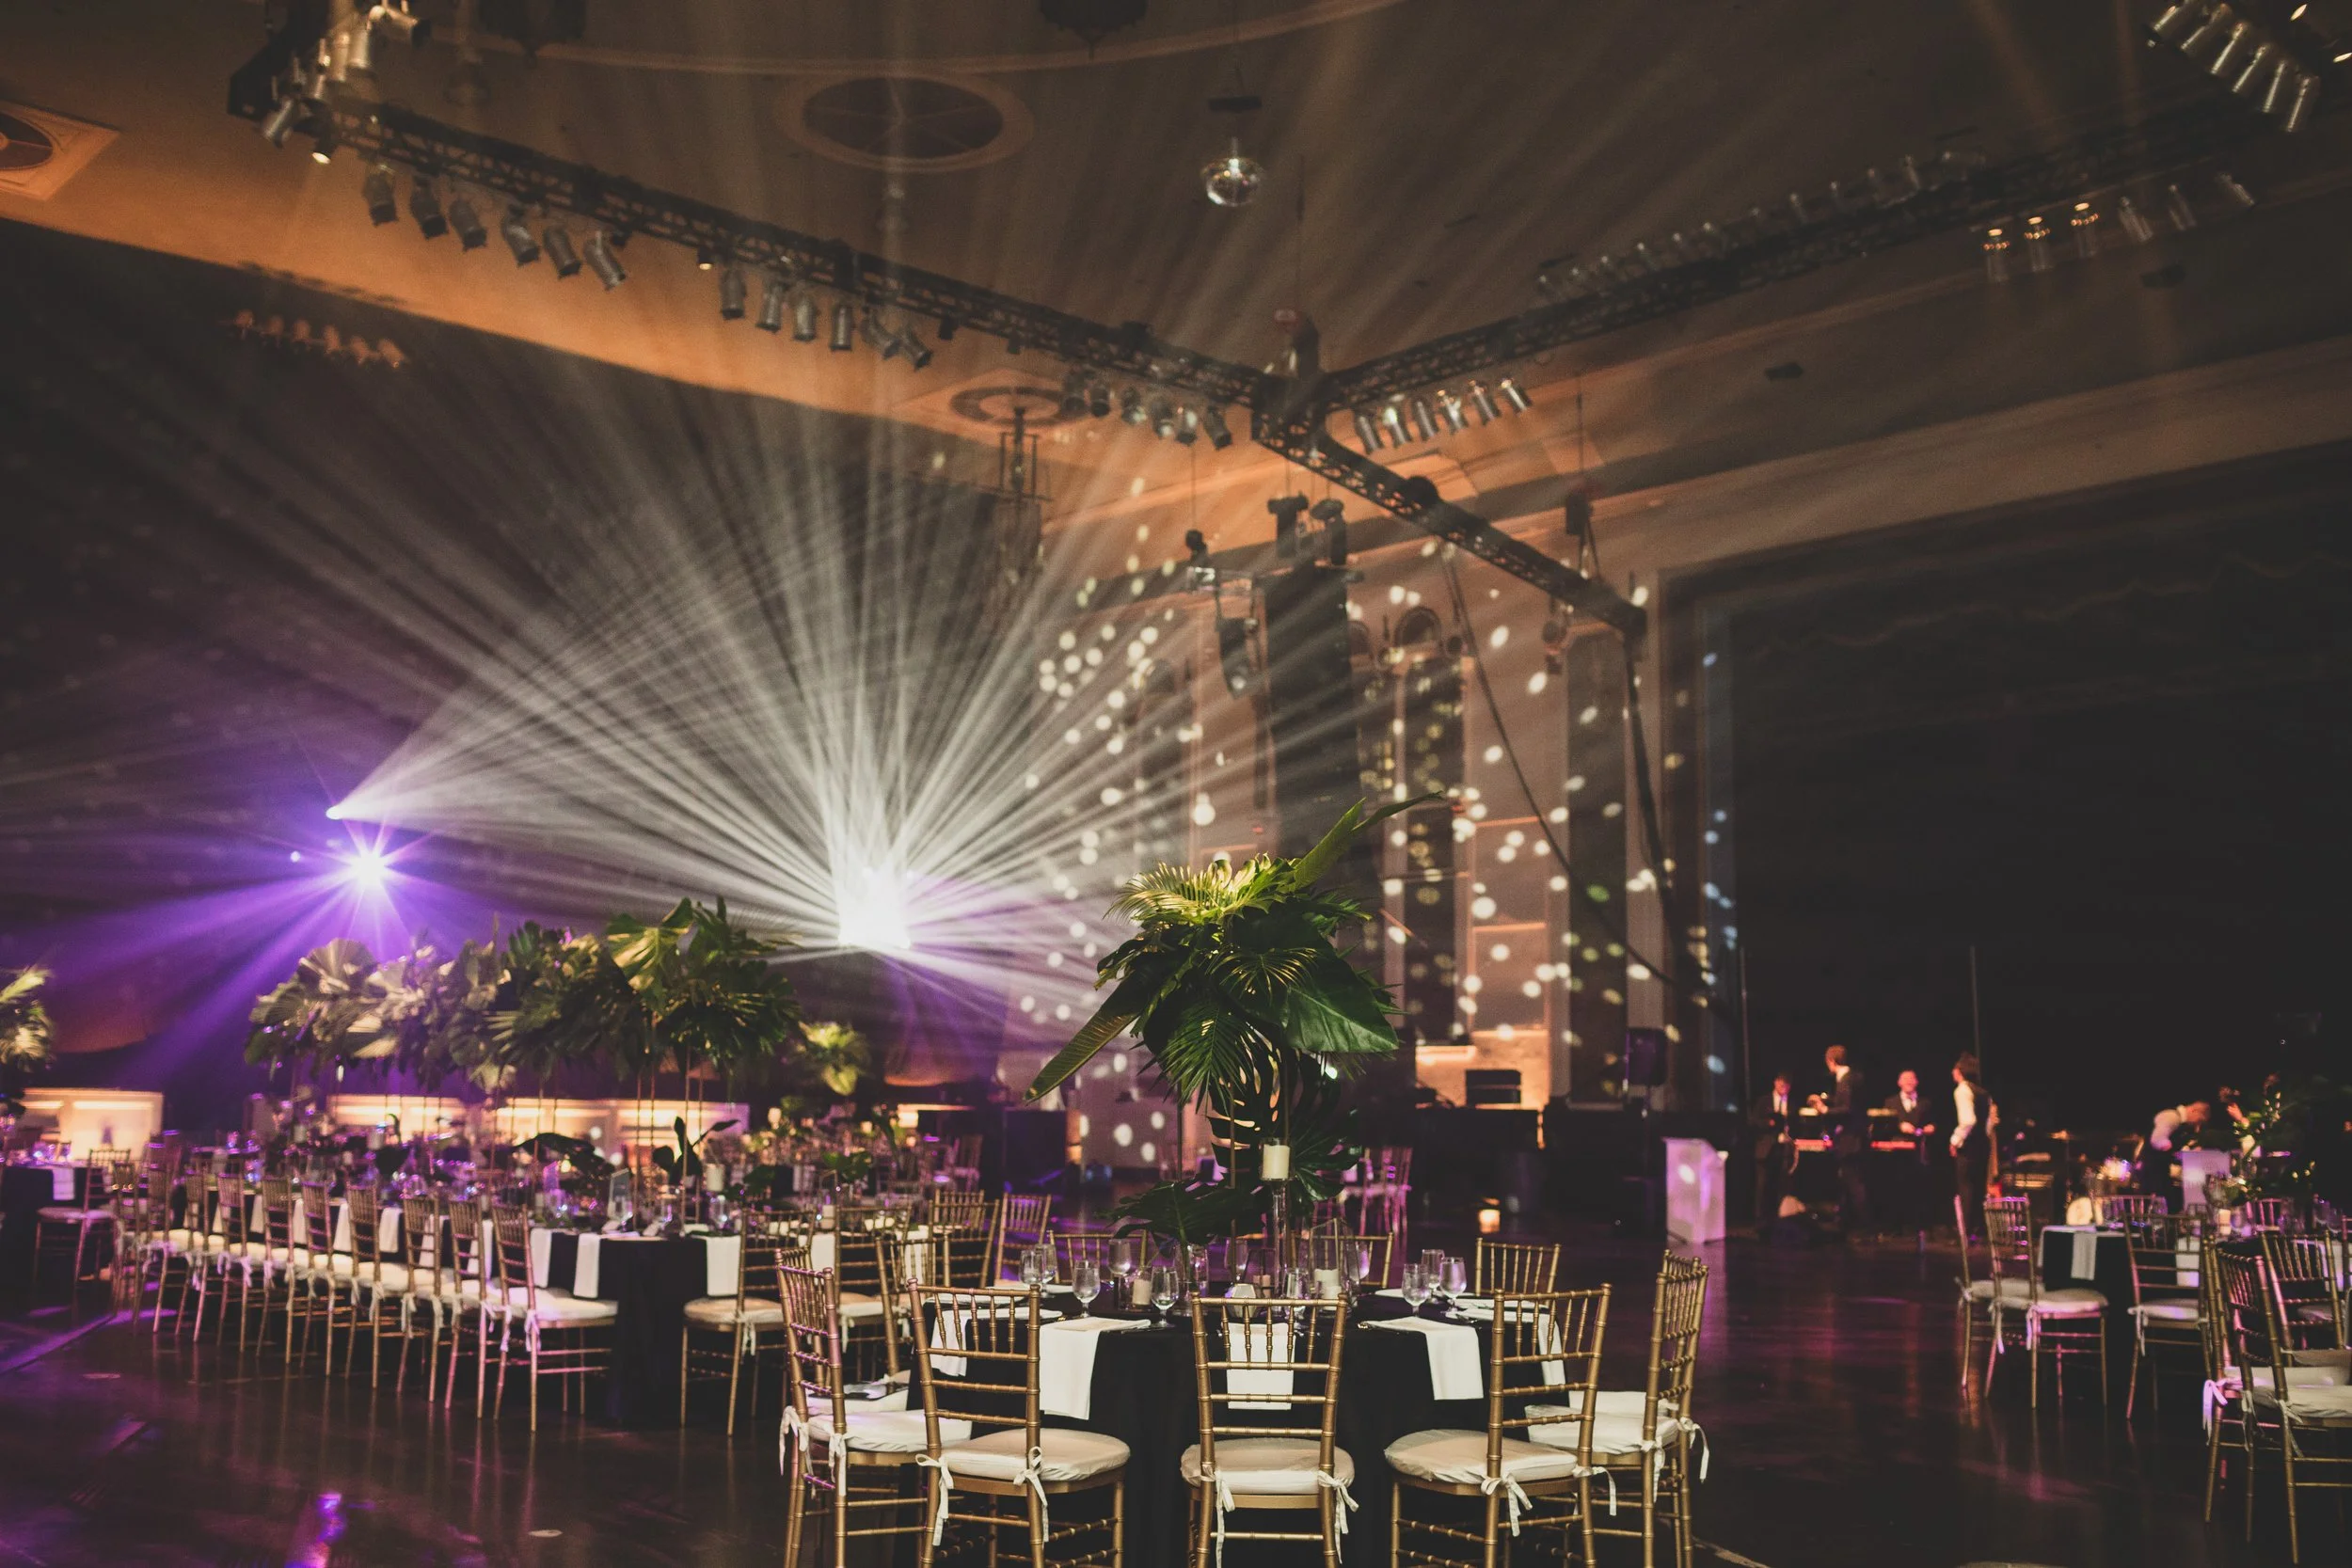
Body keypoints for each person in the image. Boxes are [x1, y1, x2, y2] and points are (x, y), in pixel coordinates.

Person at [1818, 1045, 1869, 1233]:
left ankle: (1863, 1227)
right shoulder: (1854, 1078)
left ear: (1831, 1061)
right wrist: (1829, 1101)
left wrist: (1825, 1110)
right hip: (1856, 1138)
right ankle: (1846, 1223)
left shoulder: (1845, 1080)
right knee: (1849, 1182)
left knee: (1853, 1183)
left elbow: (1847, 1109)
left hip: (1850, 1140)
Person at [1882, 1069, 1938, 1234]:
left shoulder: (1925, 1103)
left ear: (1917, 1082)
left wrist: (1931, 1128)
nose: (1908, 1081)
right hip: (1897, 1153)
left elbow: (1934, 1123)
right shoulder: (1890, 1102)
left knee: (1919, 1188)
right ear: (1899, 1082)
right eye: (1904, 1079)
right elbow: (1883, 1125)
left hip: (1919, 1152)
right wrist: (1899, 1127)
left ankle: (1919, 1225)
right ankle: (1895, 1226)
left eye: (1911, 1078)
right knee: (1897, 1187)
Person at [1950, 1053, 1990, 1240]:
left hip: (1969, 1145)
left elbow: (1968, 1120)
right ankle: (1978, 1229)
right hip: (1983, 1143)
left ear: (1959, 1072)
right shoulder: (1982, 1092)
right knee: (1978, 1186)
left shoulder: (1962, 1090)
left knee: (1965, 1186)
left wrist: (1955, 1140)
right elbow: (1988, 1124)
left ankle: (1964, 1231)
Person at [1748, 1071, 1796, 1225]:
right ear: (1775, 1083)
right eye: (1781, 1084)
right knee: (1763, 1186)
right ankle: (1760, 1220)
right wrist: (1769, 1123)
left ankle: (1780, 1219)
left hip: (1785, 1150)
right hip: (1766, 1149)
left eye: (1787, 1085)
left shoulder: (1792, 1104)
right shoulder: (1764, 1101)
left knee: (1782, 1185)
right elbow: (1753, 1121)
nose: (1784, 1087)